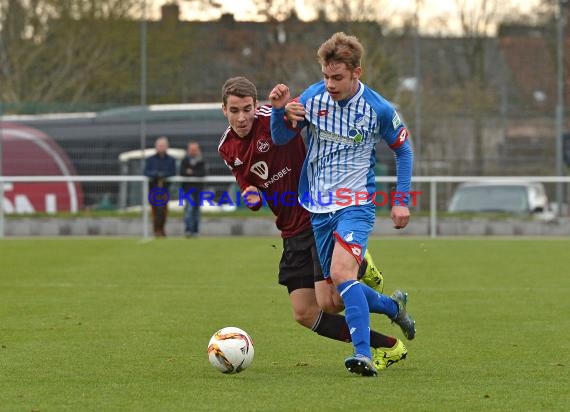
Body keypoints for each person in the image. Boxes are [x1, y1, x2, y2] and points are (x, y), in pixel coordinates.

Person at [218, 76, 407, 372]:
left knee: (334, 298)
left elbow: (294, 119)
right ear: (223, 110)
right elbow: (246, 181)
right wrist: (249, 193)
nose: (242, 117)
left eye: (247, 109)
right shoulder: (226, 147)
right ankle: (389, 340)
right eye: (234, 110)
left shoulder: (274, 118)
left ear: (257, 105)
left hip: (316, 215)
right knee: (305, 312)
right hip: (289, 230)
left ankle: (359, 266)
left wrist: (285, 108)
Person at [269, 32, 416, 376]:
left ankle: (363, 354)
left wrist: (401, 201)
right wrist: (279, 112)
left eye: (337, 77)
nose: (330, 84)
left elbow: (403, 150)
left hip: (356, 205)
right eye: (326, 76)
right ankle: (393, 308)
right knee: (330, 302)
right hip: (318, 209)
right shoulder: (312, 97)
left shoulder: (378, 108)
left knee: (340, 273)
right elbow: (280, 138)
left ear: (356, 73)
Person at [144, 136, 176, 237]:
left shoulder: (171, 160)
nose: (161, 147)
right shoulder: (150, 159)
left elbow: (172, 172)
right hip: (153, 189)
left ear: (167, 146)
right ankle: (156, 230)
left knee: (163, 211)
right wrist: (156, 174)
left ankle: (162, 229)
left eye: (163, 145)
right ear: (156, 146)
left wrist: (163, 175)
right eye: (159, 145)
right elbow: (146, 172)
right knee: (155, 211)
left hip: (165, 190)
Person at [180, 141, 206, 237]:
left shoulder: (201, 160)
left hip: (198, 189)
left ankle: (195, 231)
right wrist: (193, 172)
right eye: (191, 150)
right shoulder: (184, 160)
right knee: (189, 210)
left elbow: (202, 173)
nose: (193, 152)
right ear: (188, 150)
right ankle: (188, 230)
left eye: (195, 150)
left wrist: (191, 172)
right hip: (187, 189)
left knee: (197, 211)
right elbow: (182, 172)